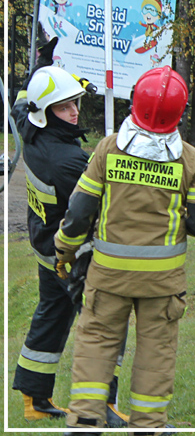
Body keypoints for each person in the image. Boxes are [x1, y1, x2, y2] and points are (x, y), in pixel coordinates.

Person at [57, 67, 195, 434]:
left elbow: (79, 211)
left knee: (96, 344)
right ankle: (149, 426)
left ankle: (84, 421)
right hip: (162, 284)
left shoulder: (108, 149)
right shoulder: (189, 159)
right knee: (155, 354)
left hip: (108, 277)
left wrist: (64, 252)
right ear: (181, 112)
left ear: (135, 103)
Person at [10, 53, 129, 427]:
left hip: (45, 247)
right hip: (72, 255)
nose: (75, 112)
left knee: (52, 314)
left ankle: (34, 397)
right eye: (64, 108)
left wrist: (43, 66)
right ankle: (102, 405)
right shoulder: (66, 162)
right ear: (46, 113)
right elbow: (102, 204)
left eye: (75, 103)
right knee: (103, 325)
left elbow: (20, 104)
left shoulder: (29, 129)